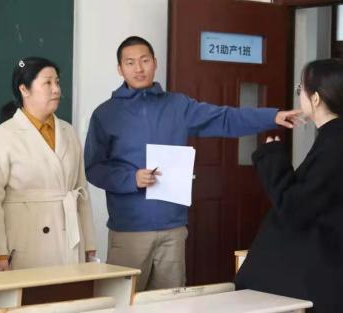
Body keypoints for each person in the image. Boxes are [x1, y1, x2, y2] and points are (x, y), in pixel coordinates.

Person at [84, 35, 301, 291]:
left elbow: (224, 118)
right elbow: (94, 168)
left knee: (172, 302)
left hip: (173, 228)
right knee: (124, 301)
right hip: (129, 230)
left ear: (155, 63)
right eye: (130, 63)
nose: (138, 68)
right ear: (120, 69)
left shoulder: (178, 105)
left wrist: (272, 117)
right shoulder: (106, 114)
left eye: (144, 60)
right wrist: (131, 179)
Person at [235, 59, 343, 313]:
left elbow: (294, 208)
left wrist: (273, 160)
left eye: (301, 89)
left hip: (324, 271)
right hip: (334, 264)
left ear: (316, 98)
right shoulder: (341, 137)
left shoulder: (337, 145)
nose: (299, 95)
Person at [0, 57, 96, 272]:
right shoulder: (3, 136)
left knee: (70, 291)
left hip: (70, 241)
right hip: (26, 242)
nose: (56, 89)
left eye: (57, 82)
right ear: (24, 89)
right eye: (47, 83)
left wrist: (89, 245)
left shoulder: (68, 132)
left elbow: (81, 191)